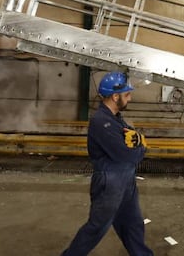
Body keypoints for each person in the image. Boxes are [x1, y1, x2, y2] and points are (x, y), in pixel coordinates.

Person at [61, 72, 153, 256]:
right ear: (115, 96)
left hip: (125, 180)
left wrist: (137, 142)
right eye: (127, 95)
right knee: (95, 229)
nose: (130, 98)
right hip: (109, 182)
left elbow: (131, 141)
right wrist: (141, 146)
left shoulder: (115, 117)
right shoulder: (101, 122)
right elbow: (128, 155)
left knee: (132, 224)